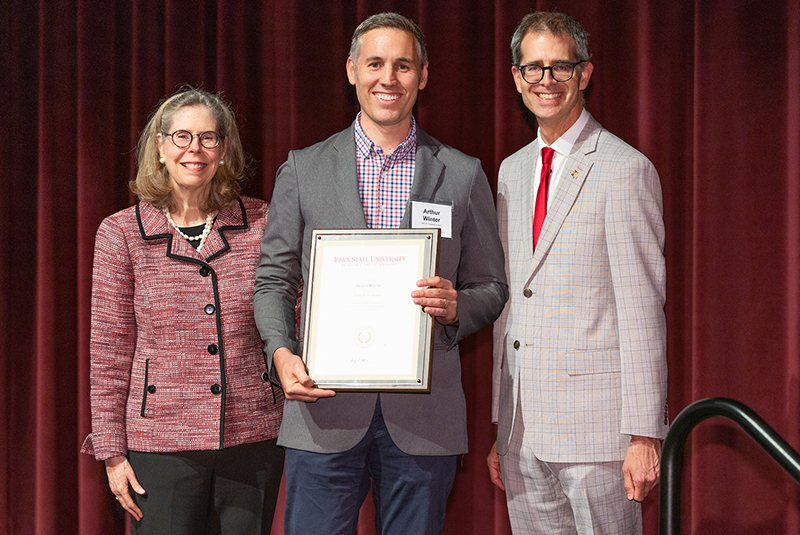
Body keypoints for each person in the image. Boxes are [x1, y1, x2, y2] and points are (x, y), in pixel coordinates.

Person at [253, 12, 508, 535]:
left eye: (403, 65)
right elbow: (274, 280)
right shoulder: (303, 169)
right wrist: (280, 352)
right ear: (351, 70)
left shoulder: (461, 173)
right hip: (321, 408)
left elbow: (492, 286)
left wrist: (460, 306)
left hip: (424, 416)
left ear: (424, 75)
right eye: (375, 63)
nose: (387, 79)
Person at [487, 11, 669, 535]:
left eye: (561, 67)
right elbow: (512, 302)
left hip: (600, 436)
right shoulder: (511, 171)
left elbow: (642, 310)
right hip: (523, 433)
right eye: (534, 68)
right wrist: (502, 427)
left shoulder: (624, 168)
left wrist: (643, 434)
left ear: (584, 74)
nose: (547, 80)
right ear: (517, 78)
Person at [81, 88, 285, 534]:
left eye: (209, 138)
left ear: (224, 149)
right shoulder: (121, 234)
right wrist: (113, 451)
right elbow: (109, 351)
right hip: (160, 447)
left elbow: (291, 308)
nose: (195, 148)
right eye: (182, 136)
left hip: (252, 440)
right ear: (159, 145)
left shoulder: (262, 221)